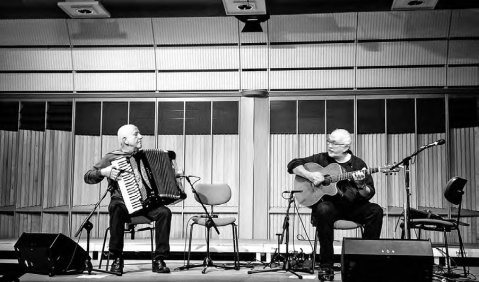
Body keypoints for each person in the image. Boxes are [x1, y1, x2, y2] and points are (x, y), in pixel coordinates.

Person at [287, 129, 383, 280]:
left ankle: (366, 262)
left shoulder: (358, 164)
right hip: (329, 208)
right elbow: (293, 164)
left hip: (353, 207)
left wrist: (361, 185)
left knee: (376, 211)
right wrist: (311, 175)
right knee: (323, 210)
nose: (329, 146)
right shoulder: (321, 158)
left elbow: (369, 193)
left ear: (345, 147)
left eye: (334, 143)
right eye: (329, 141)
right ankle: (326, 267)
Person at [84, 124, 173, 275]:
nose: (141, 137)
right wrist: (103, 172)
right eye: (136, 134)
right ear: (125, 140)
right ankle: (117, 258)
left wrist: (175, 175)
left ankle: (159, 259)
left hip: (145, 205)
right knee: (116, 208)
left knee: (164, 212)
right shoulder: (111, 157)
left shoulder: (144, 156)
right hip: (122, 204)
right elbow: (88, 177)